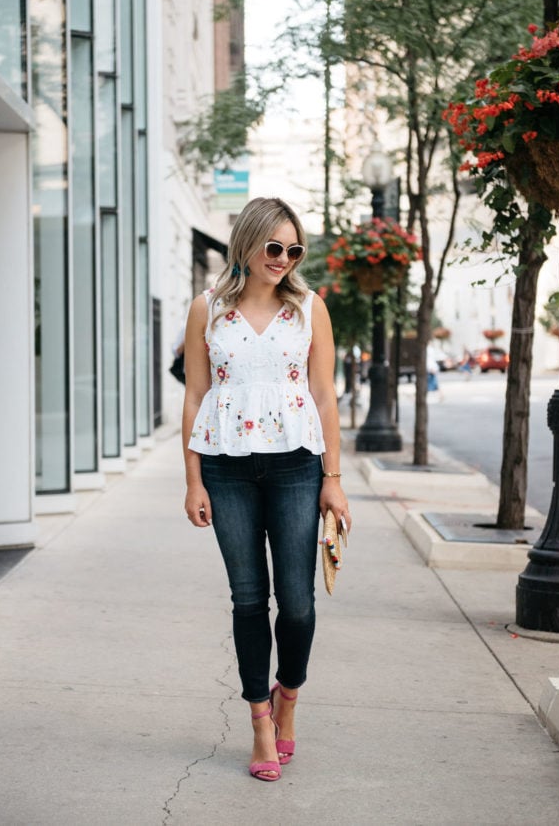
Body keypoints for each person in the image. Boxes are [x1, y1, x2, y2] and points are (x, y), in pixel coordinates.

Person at [182, 197, 351, 782]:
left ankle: (289, 699)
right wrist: (193, 479)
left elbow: (325, 396)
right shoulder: (207, 309)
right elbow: (195, 396)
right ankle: (258, 719)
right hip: (227, 468)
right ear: (248, 244)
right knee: (249, 600)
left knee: (298, 605)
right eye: (273, 247)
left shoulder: (310, 308)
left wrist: (333, 478)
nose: (283, 259)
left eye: (293, 249)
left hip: (296, 467)